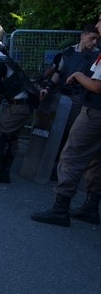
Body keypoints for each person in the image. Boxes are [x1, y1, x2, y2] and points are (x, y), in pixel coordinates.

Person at [32, 15, 101, 227]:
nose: (98, 25)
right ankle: (90, 207)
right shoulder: (70, 52)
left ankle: (60, 209)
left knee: (71, 155)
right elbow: (57, 72)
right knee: (97, 159)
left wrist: (79, 75)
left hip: (94, 111)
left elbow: (97, 86)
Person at [40, 23, 100, 180]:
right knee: (55, 130)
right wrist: (48, 88)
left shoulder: (96, 56)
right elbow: (58, 73)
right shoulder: (67, 52)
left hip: (79, 97)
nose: (94, 42)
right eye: (92, 38)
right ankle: (52, 164)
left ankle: (62, 169)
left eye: (97, 39)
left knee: (70, 133)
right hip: (62, 95)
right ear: (83, 35)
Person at [0, 38, 39, 184]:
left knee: (2, 135)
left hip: (20, 104)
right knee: (11, 137)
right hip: (20, 103)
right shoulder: (1, 59)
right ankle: (4, 173)